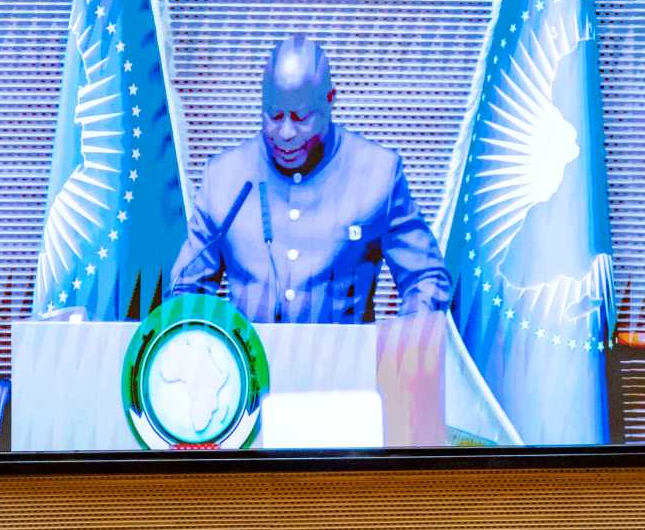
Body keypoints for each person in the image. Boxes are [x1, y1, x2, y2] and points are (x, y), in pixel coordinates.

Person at [170, 35, 451, 324]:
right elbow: (187, 289)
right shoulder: (223, 177)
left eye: (301, 117)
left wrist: (406, 347)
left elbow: (426, 277)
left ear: (330, 101)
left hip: (346, 367)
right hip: (250, 366)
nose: (286, 133)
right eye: (274, 116)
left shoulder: (378, 172)